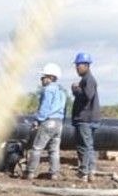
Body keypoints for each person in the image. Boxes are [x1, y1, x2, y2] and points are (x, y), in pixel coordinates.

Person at [25, 63, 67, 180]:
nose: (42, 79)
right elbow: (65, 108)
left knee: (37, 148)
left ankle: (30, 172)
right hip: (59, 123)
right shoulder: (62, 92)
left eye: (44, 77)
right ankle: (54, 173)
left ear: (51, 78)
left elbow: (45, 107)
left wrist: (37, 120)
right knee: (54, 150)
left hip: (48, 122)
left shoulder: (48, 90)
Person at [70, 51, 101, 182]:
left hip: (85, 119)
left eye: (80, 65)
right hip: (88, 118)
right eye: (76, 65)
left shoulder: (88, 80)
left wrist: (75, 90)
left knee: (84, 146)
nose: (77, 67)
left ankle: (85, 171)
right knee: (88, 145)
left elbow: (86, 96)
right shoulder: (86, 80)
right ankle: (90, 172)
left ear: (87, 65)